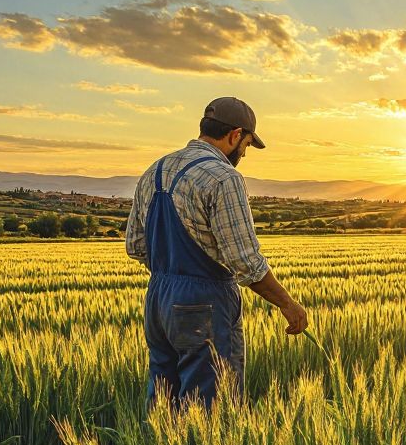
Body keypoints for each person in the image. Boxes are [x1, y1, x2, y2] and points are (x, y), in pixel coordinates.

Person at [125, 96, 307, 407]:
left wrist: (173, 274)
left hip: (158, 300)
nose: (244, 153)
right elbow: (245, 262)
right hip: (204, 303)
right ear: (235, 135)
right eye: (247, 145)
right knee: (211, 408)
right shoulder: (224, 178)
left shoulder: (154, 171)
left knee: (163, 404)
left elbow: (136, 246)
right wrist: (288, 304)